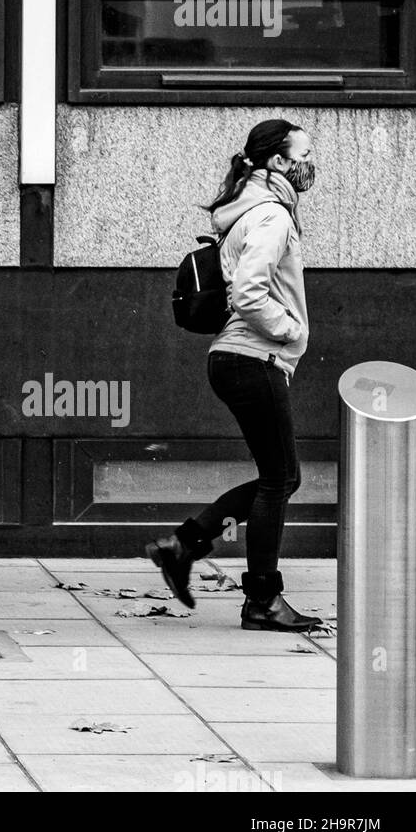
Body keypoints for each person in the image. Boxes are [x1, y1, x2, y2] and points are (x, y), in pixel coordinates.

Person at [147, 119, 322, 633]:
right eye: (304, 154)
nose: (311, 165)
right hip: (253, 358)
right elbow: (249, 293)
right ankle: (263, 601)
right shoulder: (269, 215)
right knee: (279, 480)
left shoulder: (247, 210)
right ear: (278, 163)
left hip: (237, 359)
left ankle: (183, 546)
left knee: (281, 477)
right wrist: (290, 330)